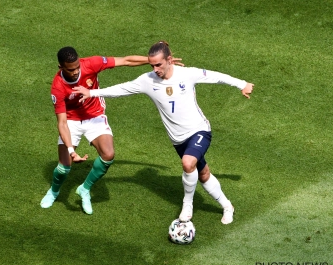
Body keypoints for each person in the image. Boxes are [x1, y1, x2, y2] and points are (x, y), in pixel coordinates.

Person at [73, 41, 254, 224]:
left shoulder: (187, 74)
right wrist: (92, 93)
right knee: (203, 173)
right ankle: (227, 206)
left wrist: (242, 84)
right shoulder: (147, 80)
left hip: (199, 130)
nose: (156, 69)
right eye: (152, 65)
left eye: (159, 64)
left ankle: (187, 205)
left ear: (169, 60)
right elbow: (122, 89)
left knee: (187, 162)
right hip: (178, 140)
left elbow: (215, 76)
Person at [40, 46, 182, 215]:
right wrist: (71, 152)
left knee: (108, 155)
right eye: (71, 70)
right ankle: (54, 191)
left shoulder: (91, 64)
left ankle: (84, 189)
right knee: (64, 168)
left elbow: (125, 60)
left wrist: (154, 62)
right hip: (71, 121)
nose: (76, 72)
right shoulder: (58, 86)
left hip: (95, 116)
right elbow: (62, 123)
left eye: (77, 66)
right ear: (61, 68)